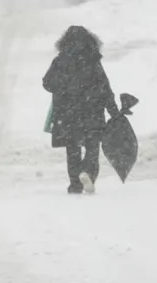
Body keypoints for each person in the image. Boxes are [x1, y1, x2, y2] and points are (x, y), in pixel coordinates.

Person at [42, 25, 120, 195]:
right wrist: (113, 110)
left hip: (68, 113)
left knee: (73, 149)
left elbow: (47, 83)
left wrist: (63, 88)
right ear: (89, 41)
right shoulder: (93, 60)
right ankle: (89, 173)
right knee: (92, 147)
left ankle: (75, 185)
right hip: (92, 111)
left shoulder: (60, 61)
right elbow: (104, 87)